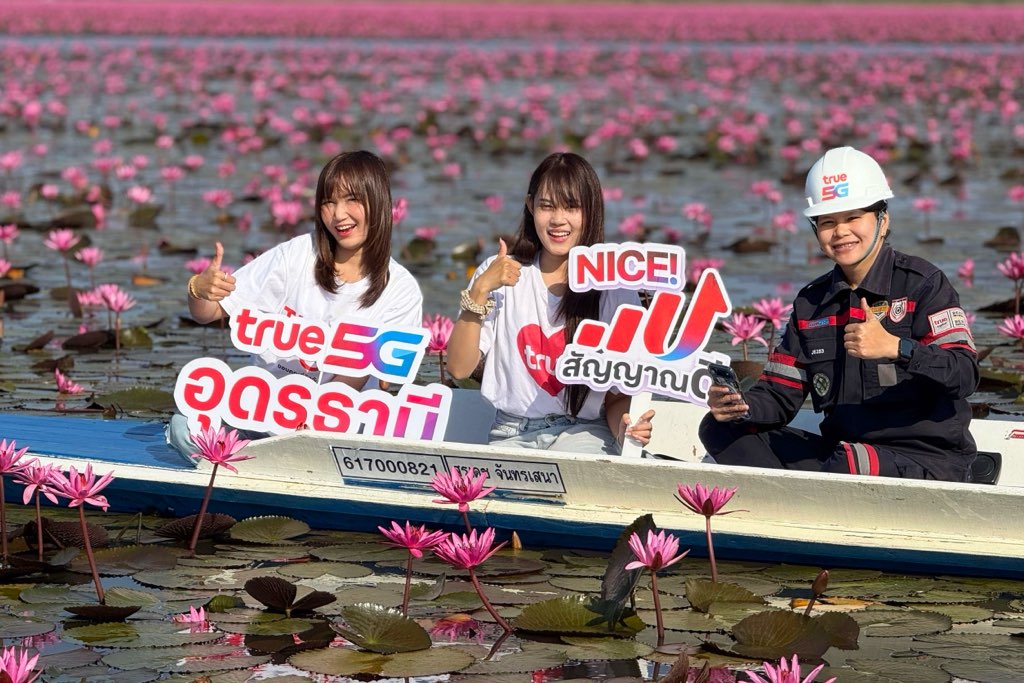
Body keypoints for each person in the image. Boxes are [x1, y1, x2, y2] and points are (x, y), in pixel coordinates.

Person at [700, 146, 978, 481]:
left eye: (853, 217)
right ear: (816, 231)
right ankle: (795, 501)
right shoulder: (811, 302)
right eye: (828, 222)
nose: (841, 231)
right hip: (844, 455)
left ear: (883, 220)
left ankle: (795, 500)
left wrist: (897, 348)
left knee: (847, 463)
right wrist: (738, 406)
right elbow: (779, 395)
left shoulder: (923, 284)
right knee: (718, 428)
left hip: (928, 460)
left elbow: (965, 373)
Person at [168, 150, 423, 455]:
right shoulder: (295, 255)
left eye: (352, 199)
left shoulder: (402, 290)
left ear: (378, 201)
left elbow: (362, 376)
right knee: (184, 426)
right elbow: (209, 313)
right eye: (328, 202)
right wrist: (197, 290)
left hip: (338, 427)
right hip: (260, 418)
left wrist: (314, 421)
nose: (338, 215)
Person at [446, 152, 654, 454]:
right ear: (530, 206)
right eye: (546, 206)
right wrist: (480, 290)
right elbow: (458, 368)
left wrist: (627, 428)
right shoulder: (497, 273)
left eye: (571, 206)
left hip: (585, 432)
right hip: (511, 432)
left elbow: (617, 396)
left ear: (592, 210)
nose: (558, 219)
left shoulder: (614, 287)